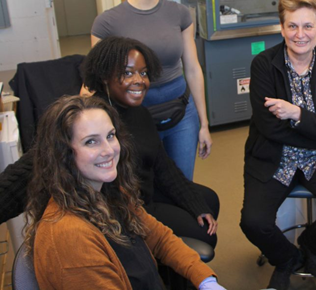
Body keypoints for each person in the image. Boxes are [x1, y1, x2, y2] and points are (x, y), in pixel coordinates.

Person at [0, 37, 219, 252]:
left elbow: (162, 166)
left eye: (143, 73)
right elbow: (30, 169)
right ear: (104, 77)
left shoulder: (139, 113)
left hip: (143, 193)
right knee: (203, 235)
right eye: (127, 73)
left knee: (208, 201)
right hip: (119, 209)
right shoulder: (88, 118)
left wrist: (194, 203)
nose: (139, 80)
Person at [23, 95, 226, 290]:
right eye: (91, 142)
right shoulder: (69, 236)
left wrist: (204, 278)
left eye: (110, 136)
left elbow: (160, 238)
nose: (109, 150)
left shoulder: (108, 192)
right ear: (62, 154)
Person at [239, 0, 316, 290]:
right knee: (253, 223)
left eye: (308, 26)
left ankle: (310, 243)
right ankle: (286, 258)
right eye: (292, 26)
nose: (300, 34)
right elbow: (270, 128)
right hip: (273, 155)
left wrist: (295, 113)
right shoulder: (263, 65)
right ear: (281, 29)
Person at [91, 0, 210, 180]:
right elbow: (95, 82)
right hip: (133, 119)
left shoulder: (180, 14)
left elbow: (192, 69)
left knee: (182, 183)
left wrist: (204, 123)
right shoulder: (107, 22)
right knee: (143, 190)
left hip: (181, 114)